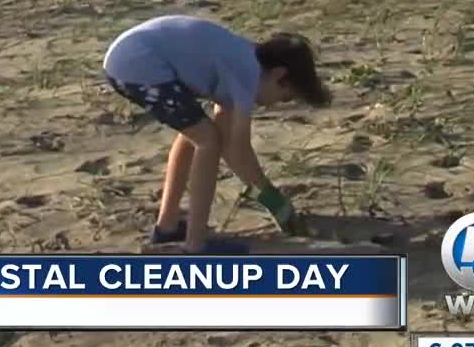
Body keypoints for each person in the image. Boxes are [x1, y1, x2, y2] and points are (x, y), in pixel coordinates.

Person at [102, 15, 332, 254]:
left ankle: (167, 226)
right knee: (207, 141)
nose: (275, 105)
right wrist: (273, 200)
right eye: (285, 97)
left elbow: (230, 143)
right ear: (278, 75)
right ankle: (196, 246)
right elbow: (237, 150)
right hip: (139, 64)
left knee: (197, 134)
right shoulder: (248, 75)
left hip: (128, 58)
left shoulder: (242, 59)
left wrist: (267, 196)